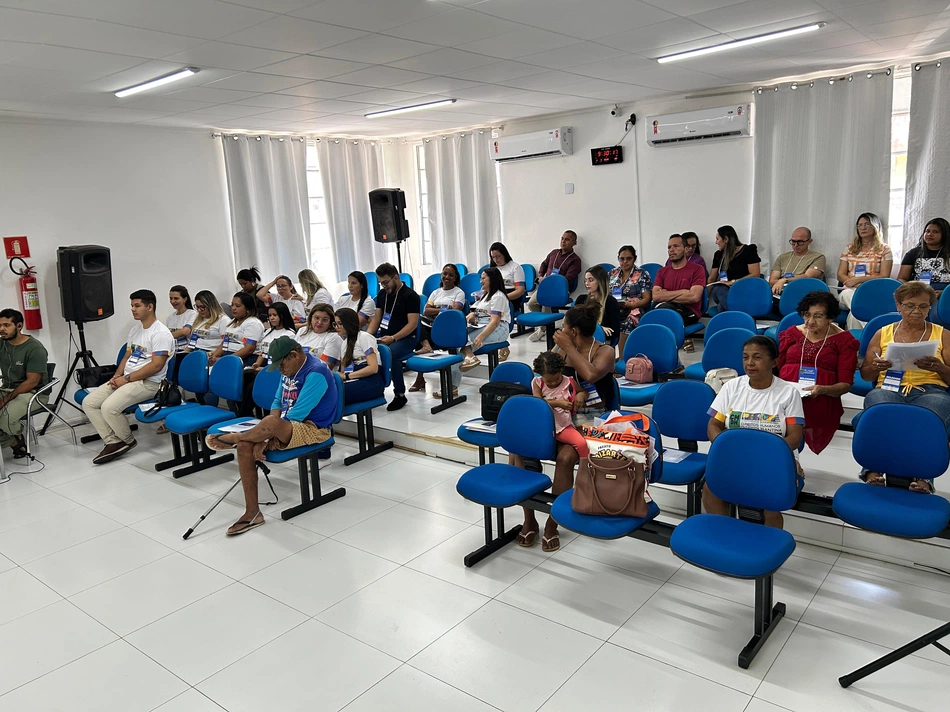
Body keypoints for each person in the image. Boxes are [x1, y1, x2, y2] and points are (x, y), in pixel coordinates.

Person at [205, 337, 338, 536]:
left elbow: (298, 414)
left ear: (294, 355)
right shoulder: (289, 370)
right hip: (286, 424)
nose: (280, 370)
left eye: (281, 364)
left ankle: (238, 437)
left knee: (267, 425)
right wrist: (264, 436)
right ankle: (253, 513)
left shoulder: (316, 372)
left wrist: (266, 438)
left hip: (313, 428)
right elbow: (277, 402)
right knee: (247, 444)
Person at [517, 302, 616, 552]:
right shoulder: (559, 351)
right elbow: (543, 378)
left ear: (573, 331)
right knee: (518, 449)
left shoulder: (604, 351)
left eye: (564, 327)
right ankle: (529, 518)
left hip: (588, 417)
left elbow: (591, 375)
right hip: (555, 413)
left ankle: (552, 522)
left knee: (565, 457)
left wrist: (569, 348)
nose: (560, 331)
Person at [705, 335, 805, 529]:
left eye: (757, 357)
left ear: (774, 362)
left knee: (770, 499)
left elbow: (794, 436)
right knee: (711, 488)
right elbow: (713, 425)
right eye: (745, 357)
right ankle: (724, 533)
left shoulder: (788, 393)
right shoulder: (732, 387)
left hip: (773, 460)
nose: (749, 363)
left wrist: (766, 455)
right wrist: (724, 450)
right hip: (735, 456)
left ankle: (769, 541)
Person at [859, 282, 950, 493]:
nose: (917, 311)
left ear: (930, 307)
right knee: (878, 408)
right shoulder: (882, 333)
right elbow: (866, 375)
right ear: (898, 306)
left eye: (923, 306)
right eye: (910, 305)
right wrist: (875, 367)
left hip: (930, 389)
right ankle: (873, 469)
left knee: (932, 416)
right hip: (889, 387)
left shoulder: (943, 334)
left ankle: (924, 476)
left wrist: (939, 367)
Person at [83, 290, 174, 465]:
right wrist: (117, 375)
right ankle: (113, 441)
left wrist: (125, 379)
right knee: (89, 402)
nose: (133, 309)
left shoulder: (160, 333)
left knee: (109, 407)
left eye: (137, 306)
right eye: (132, 306)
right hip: (128, 378)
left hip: (149, 383)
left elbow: (156, 366)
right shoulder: (135, 330)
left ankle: (127, 440)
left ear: (150, 307)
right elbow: (127, 356)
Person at [777, 291, 858, 454]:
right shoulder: (792, 334)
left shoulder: (844, 341)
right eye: (806, 314)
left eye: (818, 316)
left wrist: (823, 389)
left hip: (821, 396)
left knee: (796, 425)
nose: (810, 321)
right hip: (786, 394)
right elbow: (778, 367)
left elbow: (845, 384)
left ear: (831, 317)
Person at [366, 263, 420, 411]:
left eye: (385, 282)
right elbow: (377, 320)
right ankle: (374, 391)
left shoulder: (410, 296)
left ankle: (400, 394)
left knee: (391, 353)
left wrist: (394, 338)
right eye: (381, 283)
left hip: (406, 338)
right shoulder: (382, 295)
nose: (384, 286)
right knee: (368, 351)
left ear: (395, 277)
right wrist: (366, 337)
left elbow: (412, 324)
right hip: (385, 337)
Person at [452, 268, 510, 397]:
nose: (480, 281)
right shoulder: (485, 295)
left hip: (498, 328)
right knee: (458, 339)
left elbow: (495, 321)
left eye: (483, 278)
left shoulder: (498, 296)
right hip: (483, 325)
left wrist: (480, 337)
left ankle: (452, 387)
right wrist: (473, 316)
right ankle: (470, 357)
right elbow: (478, 312)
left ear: (492, 279)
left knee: (462, 345)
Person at [0, 308, 49, 458]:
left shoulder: (35, 349)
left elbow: (32, 382)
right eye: (0, 325)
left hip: (33, 393)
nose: (2, 329)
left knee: (5, 419)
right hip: (7, 389)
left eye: (7, 325)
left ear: (19, 326)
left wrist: (5, 400)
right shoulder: (2, 344)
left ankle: (16, 438)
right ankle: (14, 442)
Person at [410, 264, 465, 393]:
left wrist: (436, 310)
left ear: (455, 277)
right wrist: (445, 309)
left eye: (451, 275)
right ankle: (420, 378)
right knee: (417, 323)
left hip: (448, 327)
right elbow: (426, 311)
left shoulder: (459, 293)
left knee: (422, 335)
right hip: (431, 325)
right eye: (445, 274)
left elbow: (455, 311)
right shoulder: (436, 293)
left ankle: (426, 346)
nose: (447, 277)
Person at [837, 213, 893, 330]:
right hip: (849, 290)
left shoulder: (885, 249)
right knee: (847, 295)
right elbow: (840, 274)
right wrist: (851, 283)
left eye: (867, 224)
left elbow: (884, 275)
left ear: (875, 226)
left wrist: (860, 281)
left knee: (854, 315)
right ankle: (873, 330)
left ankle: (857, 339)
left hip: (872, 291)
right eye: (860, 225)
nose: (863, 228)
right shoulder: (849, 248)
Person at [652, 234, 707, 352]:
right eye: (669, 247)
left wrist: (666, 295)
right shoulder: (662, 272)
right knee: (659, 313)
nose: (671, 250)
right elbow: (656, 296)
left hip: (690, 311)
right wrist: (683, 292)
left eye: (676, 246)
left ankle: (664, 353)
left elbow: (694, 297)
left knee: (664, 313)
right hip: (666, 308)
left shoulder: (697, 269)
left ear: (685, 249)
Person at [532, 350, 588, 460]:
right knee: (518, 438)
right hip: (543, 426)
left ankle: (585, 466)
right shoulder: (538, 383)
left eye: (557, 379)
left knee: (582, 444)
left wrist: (580, 396)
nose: (554, 383)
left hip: (562, 425)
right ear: (541, 375)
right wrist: (558, 403)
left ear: (561, 370)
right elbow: (538, 404)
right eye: (549, 381)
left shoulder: (568, 381)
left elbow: (583, 392)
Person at [527, 231, 582, 341]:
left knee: (546, 303)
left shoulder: (575, 260)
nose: (563, 241)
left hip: (560, 291)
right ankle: (545, 327)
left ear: (574, 242)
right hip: (545, 288)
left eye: (567, 239)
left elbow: (567, 279)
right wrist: (541, 275)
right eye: (562, 238)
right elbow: (544, 264)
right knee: (531, 303)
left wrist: (547, 281)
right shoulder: (554, 253)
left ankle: (544, 329)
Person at [324, 308, 384, 404]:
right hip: (352, 379)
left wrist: (346, 376)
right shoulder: (344, 344)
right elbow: (343, 371)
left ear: (349, 323)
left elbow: (373, 368)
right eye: (335, 324)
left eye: (340, 323)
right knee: (322, 389)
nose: (336, 327)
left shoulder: (365, 337)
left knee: (331, 394)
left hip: (371, 381)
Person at [607, 245, 653, 354]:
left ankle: (623, 357)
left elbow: (647, 298)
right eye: (622, 259)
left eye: (628, 259)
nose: (625, 262)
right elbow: (606, 292)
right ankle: (607, 356)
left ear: (634, 259)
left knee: (626, 322)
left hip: (635, 308)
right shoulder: (612, 273)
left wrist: (632, 305)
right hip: (615, 307)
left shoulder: (642, 274)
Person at [708, 225, 761, 310]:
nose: (716, 242)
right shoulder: (719, 255)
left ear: (726, 239)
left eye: (717, 239)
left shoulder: (748, 251)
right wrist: (704, 299)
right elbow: (712, 279)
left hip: (744, 289)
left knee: (721, 307)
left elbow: (755, 274)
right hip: (724, 291)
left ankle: (734, 313)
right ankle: (739, 313)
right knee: (719, 289)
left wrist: (732, 282)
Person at [489, 241, 525, 361]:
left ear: (504, 254)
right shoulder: (492, 269)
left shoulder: (515, 267)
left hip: (511, 297)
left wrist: (504, 298)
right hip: (495, 297)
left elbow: (520, 290)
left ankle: (503, 344)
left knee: (498, 313)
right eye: (493, 257)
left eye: (498, 256)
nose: (496, 259)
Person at [769, 227, 827, 301]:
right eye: (793, 241)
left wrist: (784, 280)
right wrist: (780, 282)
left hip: (804, 295)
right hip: (780, 294)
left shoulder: (818, 257)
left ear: (809, 241)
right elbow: (772, 280)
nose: (796, 245)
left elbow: (807, 276)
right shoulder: (783, 257)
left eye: (800, 242)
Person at [209, 292, 265, 367]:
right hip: (228, 355)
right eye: (232, 305)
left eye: (237, 306)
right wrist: (214, 357)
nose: (233, 308)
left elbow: (249, 349)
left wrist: (226, 359)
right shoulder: (232, 322)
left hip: (245, 358)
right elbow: (224, 343)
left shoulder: (253, 323)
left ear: (247, 308)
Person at [898, 218, 950, 291]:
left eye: (935, 232)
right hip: (919, 292)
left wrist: (943, 292)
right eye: (927, 231)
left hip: (946, 293)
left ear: (945, 235)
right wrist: (913, 290)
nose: (930, 234)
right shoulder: (913, 253)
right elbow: (902, 278)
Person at [575, 266, 621, 345]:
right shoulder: (581, 299)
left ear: (600, 281)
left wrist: (598, 331)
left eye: (591, 280)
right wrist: (599, 328)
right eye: (586, 280)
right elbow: (574, 322)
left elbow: (615, 332)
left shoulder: (610, 302)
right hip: (580, 338)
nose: (587, 283)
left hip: (600, 342)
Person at [249, 303, 297, 372]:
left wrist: (263, 369)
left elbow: (284, 359)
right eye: (270, 315)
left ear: (282, 316)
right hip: (264, 365)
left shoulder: (289, 334)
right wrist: (257, 364)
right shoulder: (268, 331)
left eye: (275, 315)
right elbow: (262, 352)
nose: (271, 318)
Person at [165, 285, 197, 353]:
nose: (172, 301)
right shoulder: (170, 317)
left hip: (185, 352)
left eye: (176, 298)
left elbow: (185, 331)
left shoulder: (192, 314)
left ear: (185, 299)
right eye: (171, 298)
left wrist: (165, 337)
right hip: (172, 352)